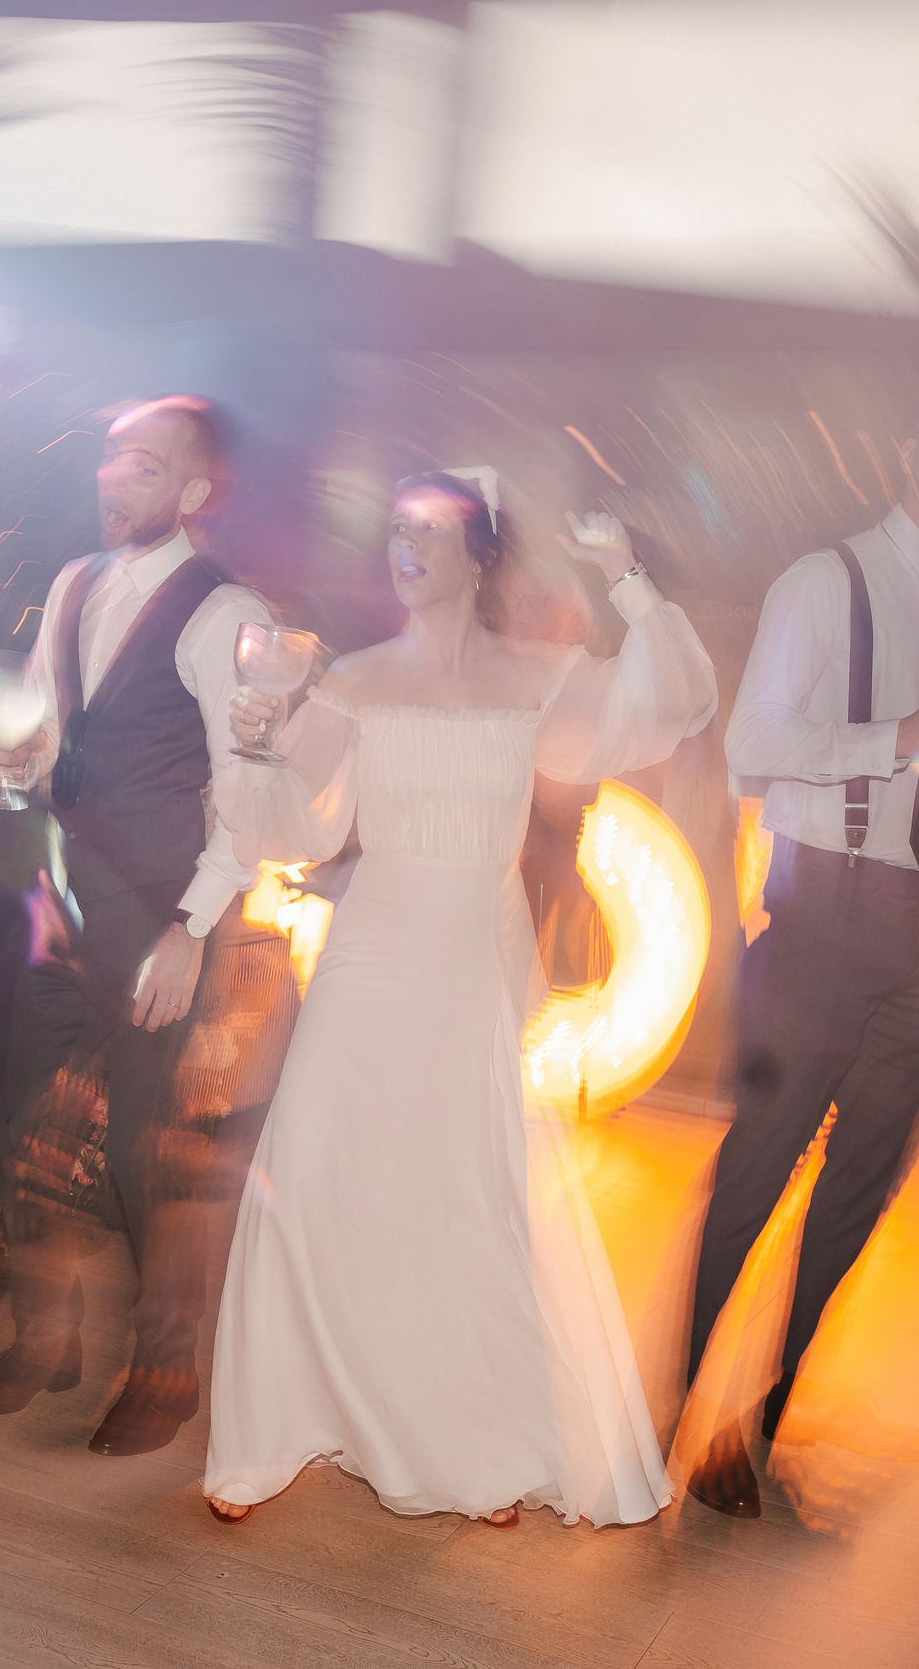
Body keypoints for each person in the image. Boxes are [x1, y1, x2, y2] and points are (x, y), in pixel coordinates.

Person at [200, 475, 716, 1526]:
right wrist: (262, 743)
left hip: (471, 958)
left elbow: (667, 701)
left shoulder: (537, 676)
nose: (406, 546)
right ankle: (273, 1430)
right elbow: (303, 824)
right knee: (314, 1167)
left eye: (431, 531)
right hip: (370, 948)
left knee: (463, 1192)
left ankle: (477, 1442)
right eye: (396, 529)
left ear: (479, 555)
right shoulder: (352, 678)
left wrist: (624, 573)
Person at [683, 381, 919, 1516]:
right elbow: (753, 745)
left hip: (911, 934)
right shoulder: (823, 580)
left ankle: (757, 1423)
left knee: (862, 1187)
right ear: (906, 450)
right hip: (817, 920)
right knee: (753, 1176)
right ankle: (667, 1405)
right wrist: (899, 738)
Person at [0, 395, 271, 1457]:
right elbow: (48, 735)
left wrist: (192, 927)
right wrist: (12, 763)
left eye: (143, 463)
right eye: (111, 456)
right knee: (24, 1124)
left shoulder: (225, 613)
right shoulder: (71, 584)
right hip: (64, 903)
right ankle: (45, 1341)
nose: (112, 476)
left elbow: (248, 787)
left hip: (159, 911)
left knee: (148, 1150)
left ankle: (166, 1366)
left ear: (190, 491)